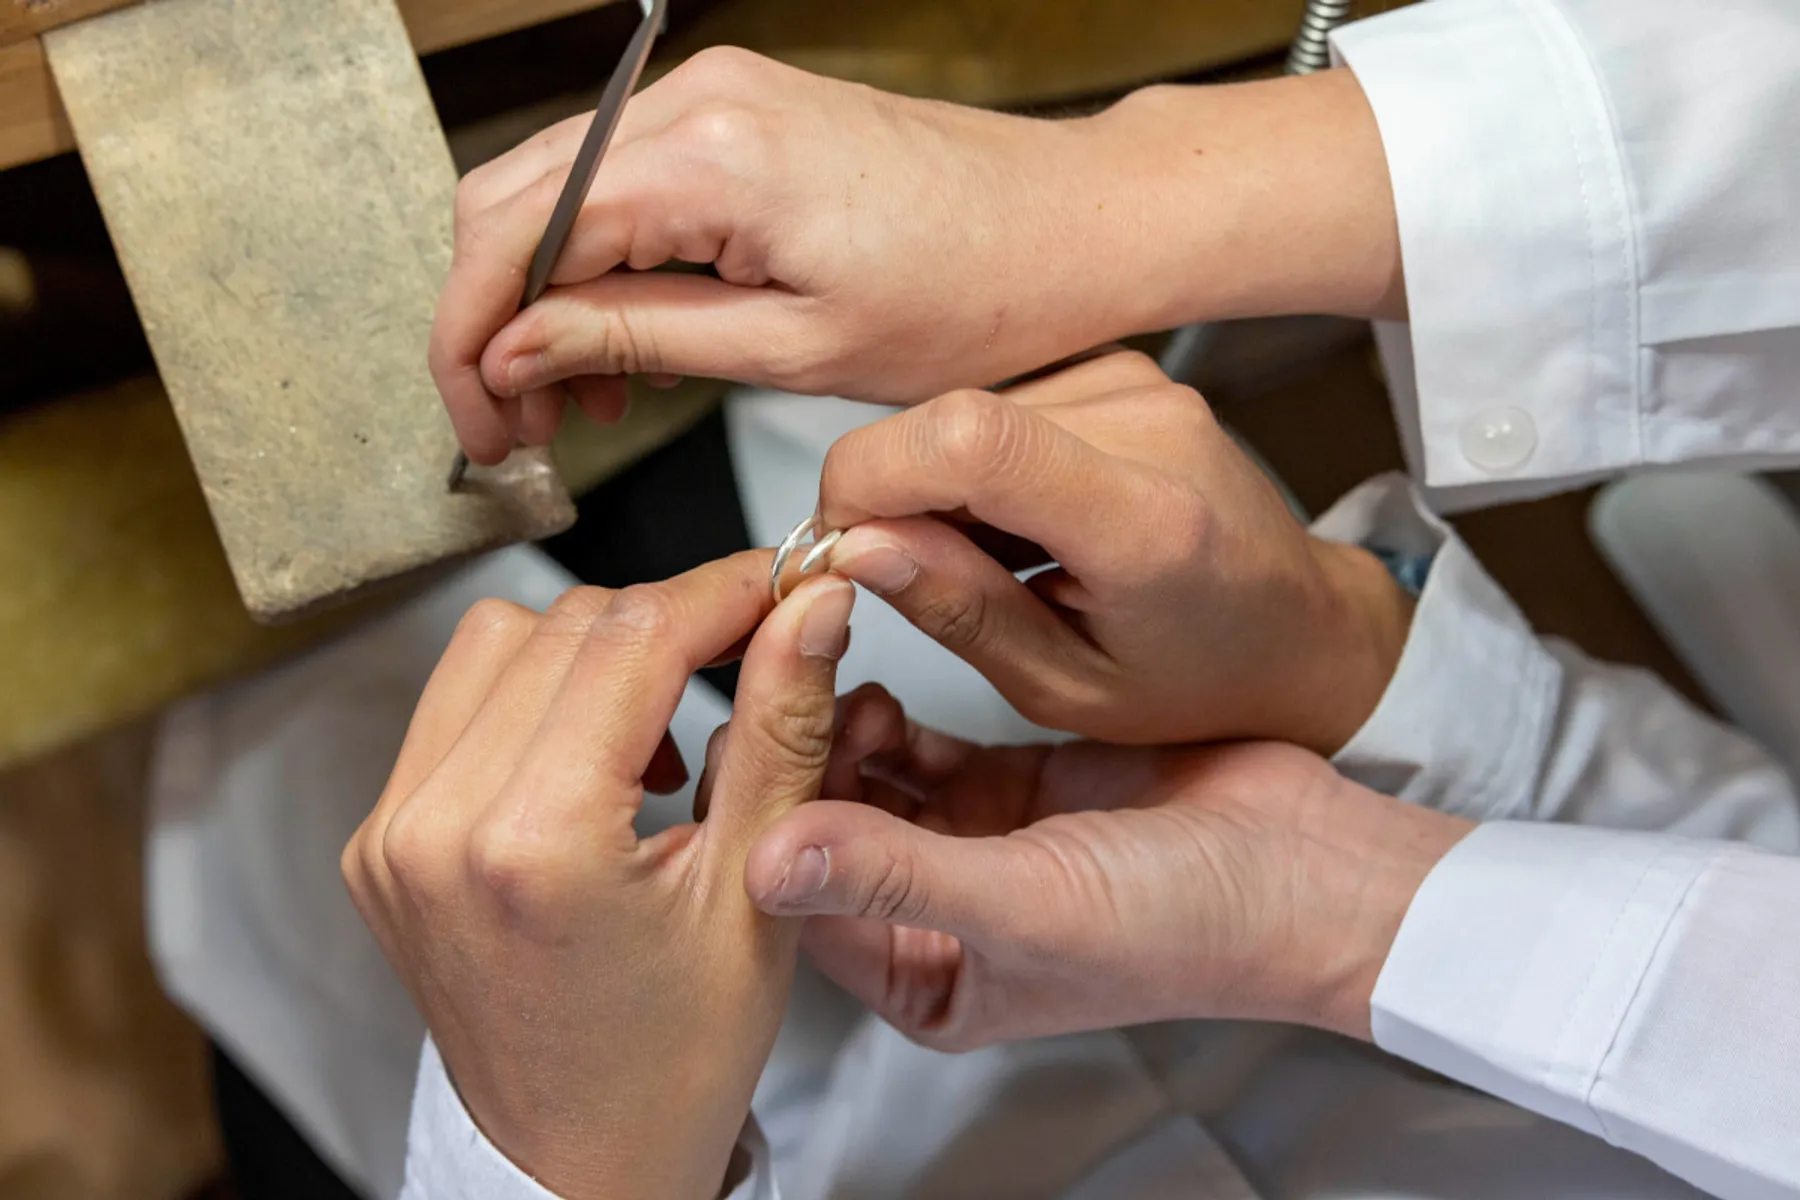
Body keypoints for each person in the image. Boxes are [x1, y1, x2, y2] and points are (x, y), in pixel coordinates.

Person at [365, 0, 1800, 1195]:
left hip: (701, 1107)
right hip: (1159, 804)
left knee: (286, 823)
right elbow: (1747, 901)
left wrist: (563, 1165)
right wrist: (1349, 676)